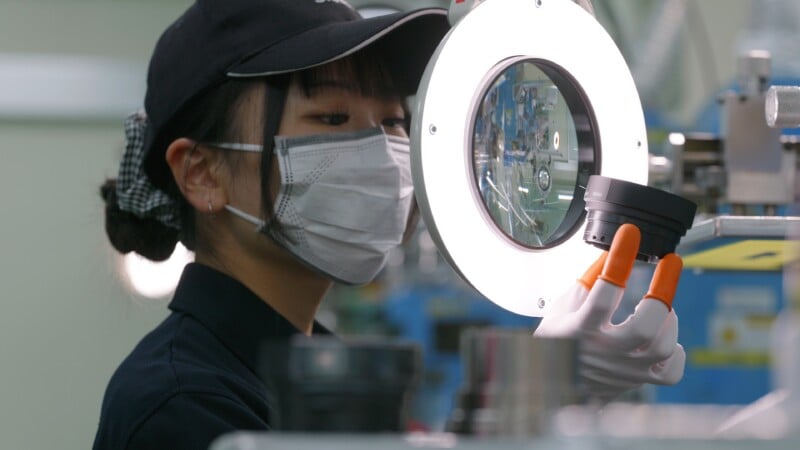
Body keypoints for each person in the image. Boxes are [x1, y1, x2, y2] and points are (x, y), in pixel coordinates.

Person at [93, 1, 685, 449]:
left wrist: (541, 395)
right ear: (201, 174)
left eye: (395, 121)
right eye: (332, 116)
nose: (381, 153)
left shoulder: (319, 371)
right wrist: (526, 396)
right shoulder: (183, 404)